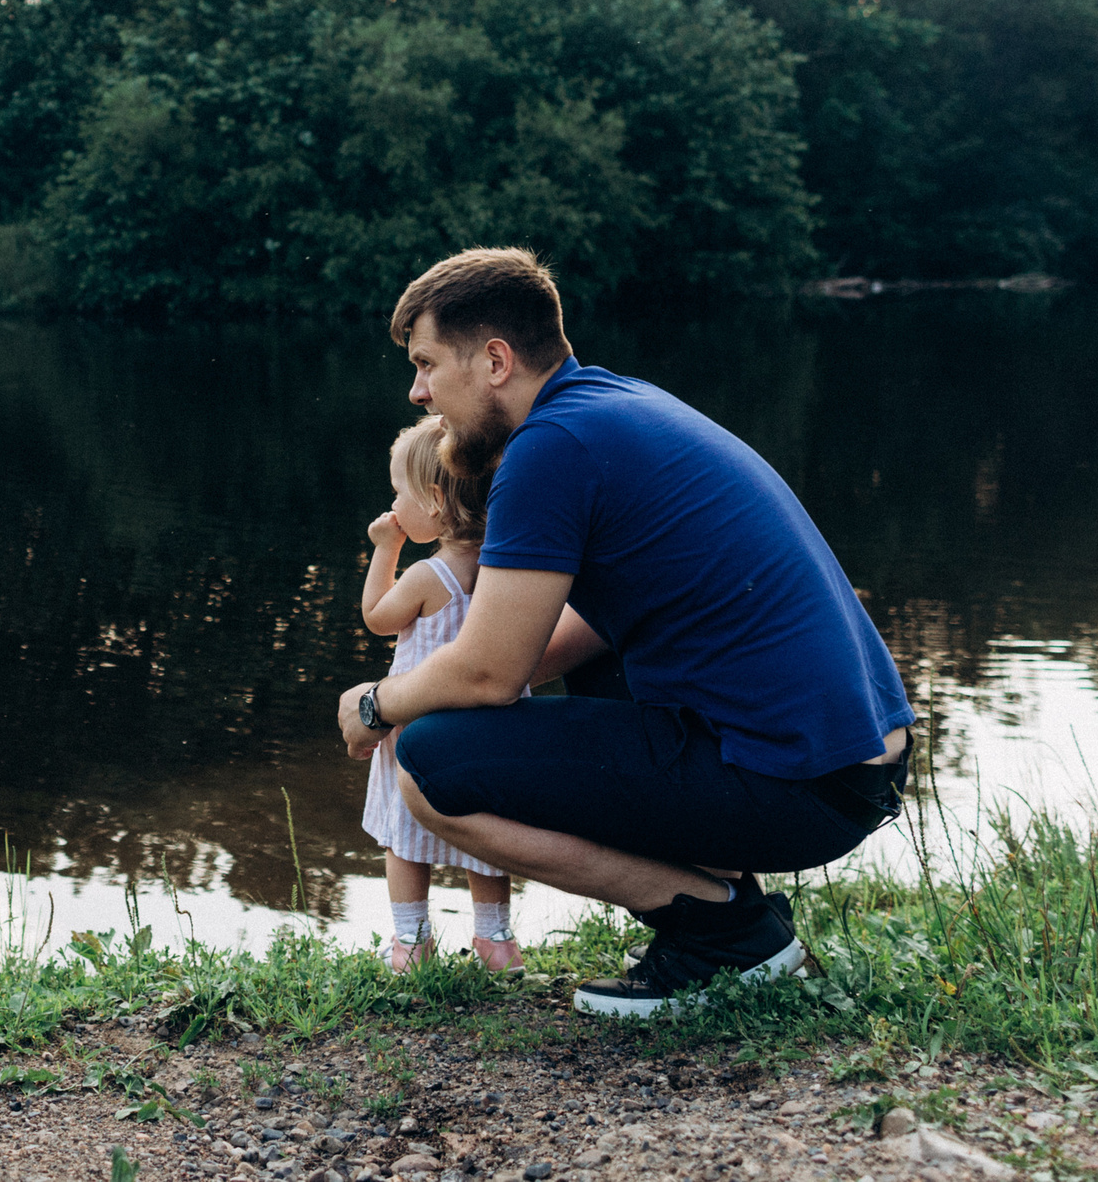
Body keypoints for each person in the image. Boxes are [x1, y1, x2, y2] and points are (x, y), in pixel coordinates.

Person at [335, 247, 914, 1018]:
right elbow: (552, 643)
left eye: (427, 364)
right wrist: (466, 682)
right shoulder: (609, 404)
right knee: (569, 677)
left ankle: (724, 932)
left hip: (802, 784)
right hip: (850, 765)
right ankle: (730, 906)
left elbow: (489, 674)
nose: (419, 393)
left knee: (431, 762)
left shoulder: (548, 450)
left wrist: (379, 702)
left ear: (496, 360)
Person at [357, 415, 526, 974]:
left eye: (398, 492)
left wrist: (387, 546)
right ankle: (496, 940)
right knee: (486, 833)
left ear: (432, 500)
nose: (393, 503)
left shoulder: (430, 576)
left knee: (401, 834)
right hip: (493, 721)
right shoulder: (504, 564)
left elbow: (378, 619)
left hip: (418, 721)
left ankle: (411, 942)